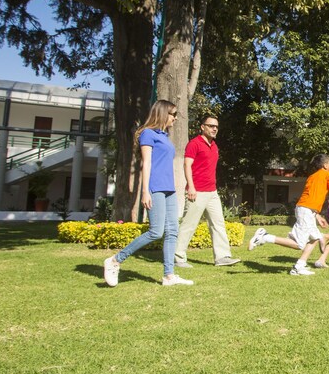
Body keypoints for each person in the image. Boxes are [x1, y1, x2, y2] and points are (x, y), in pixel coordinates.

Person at [102, 100, 192, 287]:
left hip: (169, 189)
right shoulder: (147, 134)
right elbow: (146, 163)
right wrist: (145, 192)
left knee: (172, 231)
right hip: (155, 188)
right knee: (156, 231)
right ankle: (115, 260)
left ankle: (169, 275)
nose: (175, 118)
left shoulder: (164, 136)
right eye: (172, 114)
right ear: (162, 113)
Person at [247, 153, 329, 276]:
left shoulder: (312, 177)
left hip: (306, 209)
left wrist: (317, 215)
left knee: (314, 238)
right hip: (306, 210)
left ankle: (299, 266)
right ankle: (265, 237)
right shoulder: (328, 174)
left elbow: (309, 197)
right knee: (299, 244)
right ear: (325, 165)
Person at [173, 113, 241, 269]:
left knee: (218, 224)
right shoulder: (194, 144)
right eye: (211, 126)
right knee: (188, 225)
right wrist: (190, 186)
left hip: (212, 192)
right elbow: (187, 165)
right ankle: (178, 257)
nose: (214, 129)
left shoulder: (214, 145)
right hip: (196, 191)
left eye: (216, 126)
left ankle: (222, 257)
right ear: (202, 127)